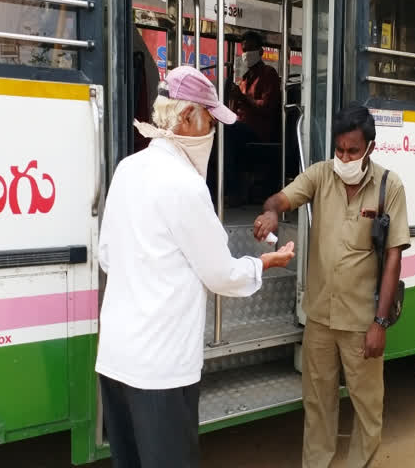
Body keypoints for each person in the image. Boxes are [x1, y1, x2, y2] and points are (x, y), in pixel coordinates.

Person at [96, 65, 296, 468]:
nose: (213, 133)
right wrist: (263, 264)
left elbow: (106, 256)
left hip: (116, 359)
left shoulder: (127, 169)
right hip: (162, 369)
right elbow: (221, 274)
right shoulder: (185, 185)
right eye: (210, 121)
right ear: (187, 117)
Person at [254, 104, 410, 467]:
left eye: (352, 151)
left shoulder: (390, 185)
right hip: (320, 317)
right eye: (339, 150)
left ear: (370, 148)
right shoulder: (321, 175)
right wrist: (272, 211)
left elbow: (393, 259)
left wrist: (380, 323)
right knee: (318, 403)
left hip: (361, 321)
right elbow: (282, 197)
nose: (344, 157)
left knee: (367, 406)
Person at [223, 31, 282, 205]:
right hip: (241, 127)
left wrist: (243, 98)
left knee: (229, 132)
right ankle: (215, 188)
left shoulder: (268, 74)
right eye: (244, 50)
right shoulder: (243, 80)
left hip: (258, 131)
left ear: (260, 51)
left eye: (250, 49)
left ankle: (233, 191)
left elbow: (267, 108)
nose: (246, 54)